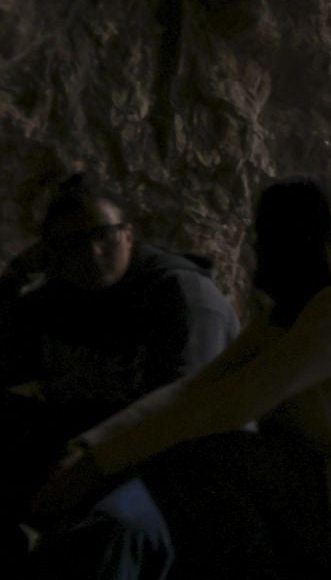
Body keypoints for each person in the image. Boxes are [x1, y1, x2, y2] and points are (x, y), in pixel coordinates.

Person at [28, 173, 331, 578]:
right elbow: (198, 387)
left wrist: (98, 464)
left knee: (207, 454)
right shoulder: (293, 306)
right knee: (198, 467)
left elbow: (232, 404)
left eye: (274, 231)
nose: (261, 244)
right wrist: (89, 449)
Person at [1, 173, 238, 558]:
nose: (92, 253)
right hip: (86, 455)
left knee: (110, 530)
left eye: (103, 236)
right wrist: (14, 276)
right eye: (72, 244)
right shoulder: (59, 297)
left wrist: (86, 471)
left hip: (174, 470)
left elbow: (184, 419)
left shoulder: (182, 298)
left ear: (128, 234)